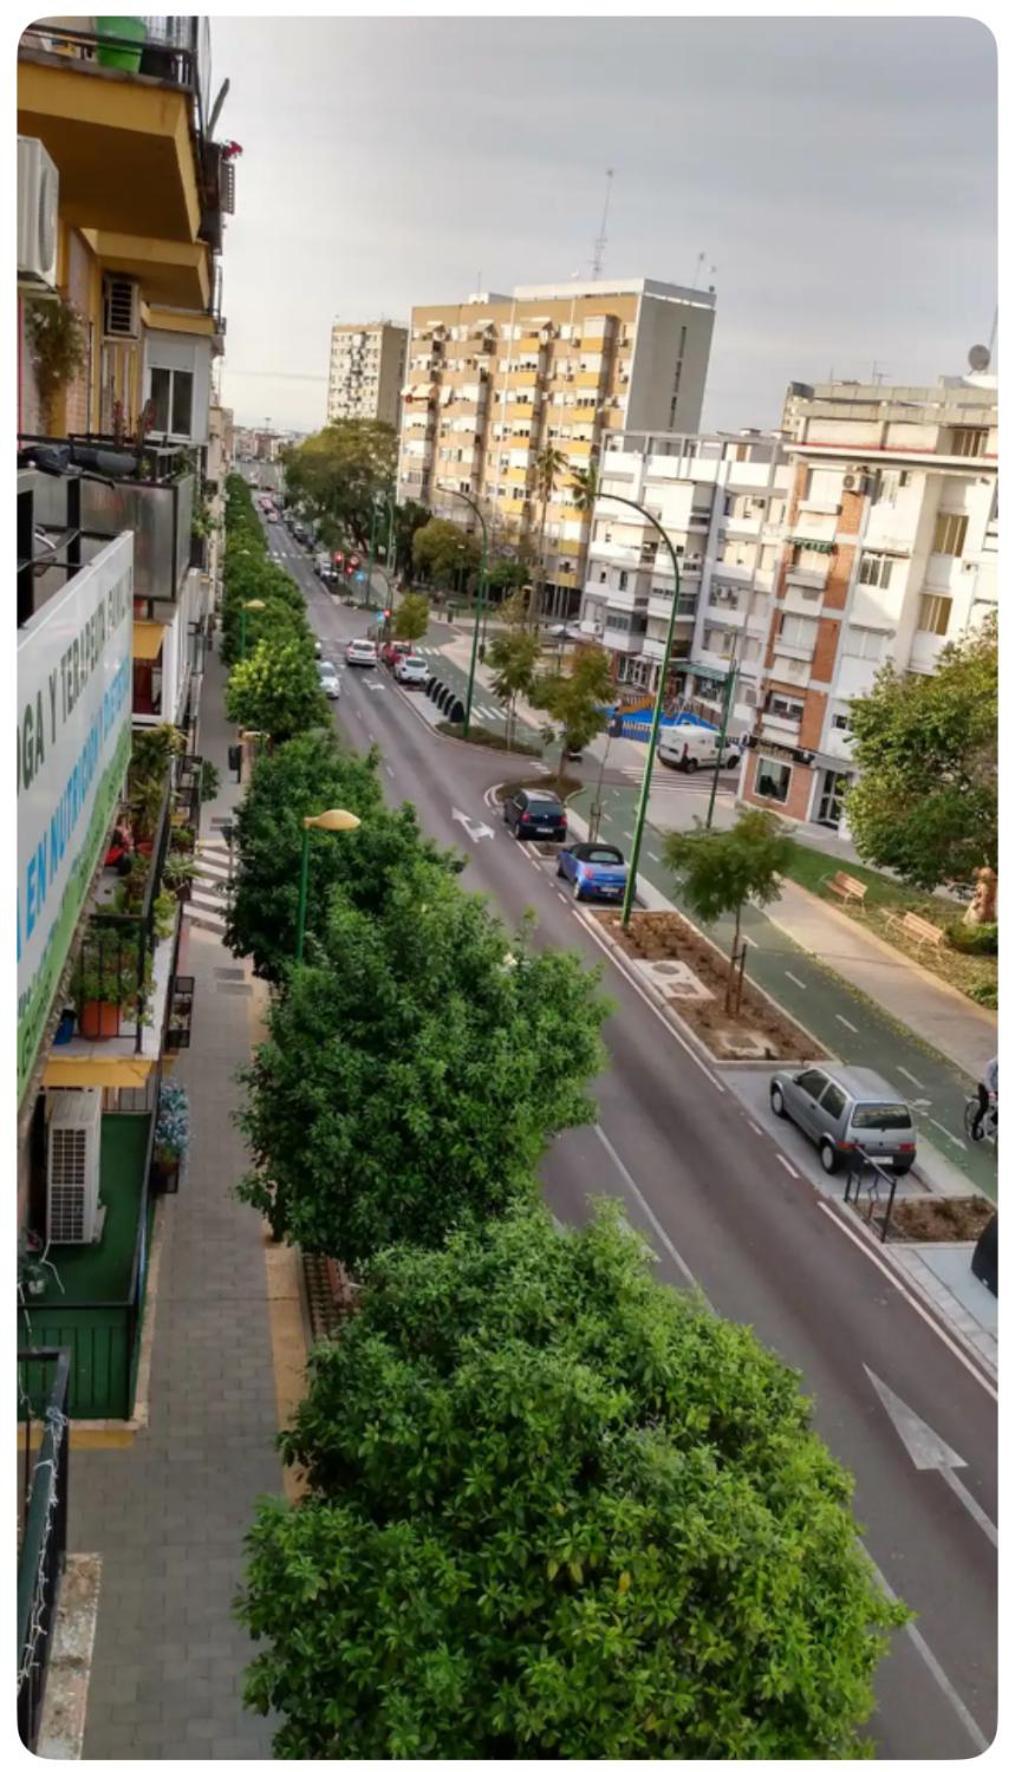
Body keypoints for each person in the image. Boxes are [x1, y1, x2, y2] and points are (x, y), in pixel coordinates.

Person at [971, 1054, 998, 1140]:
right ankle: (974, 1127)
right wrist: (990, 1092)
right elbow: (987, 1079)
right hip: (985, 1088)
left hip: (997, 1088)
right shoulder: (992, 1064)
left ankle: (990, 1124)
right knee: (984, 1106)